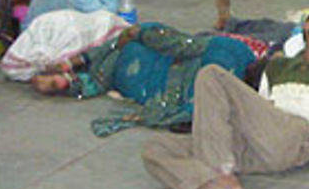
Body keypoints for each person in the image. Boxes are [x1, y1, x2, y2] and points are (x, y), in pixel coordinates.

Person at [141, 9, 309, 189]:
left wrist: (277, 106)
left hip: (297, 135)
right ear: (308, 25)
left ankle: (216, 178)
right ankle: (215, 185)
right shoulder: (277, 66)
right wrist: (262, 109)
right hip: (256, 143)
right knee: (156, 147)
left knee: (212, 75)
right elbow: (260, 106)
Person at [29, 22, 258, 136]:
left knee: (127, 50)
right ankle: (78, 78)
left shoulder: (236, 54)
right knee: (124, 65)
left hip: (140, 64)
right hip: (141, 76)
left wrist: (140, 33)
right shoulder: (232, 75)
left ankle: (78, 71)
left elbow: (182, 43)